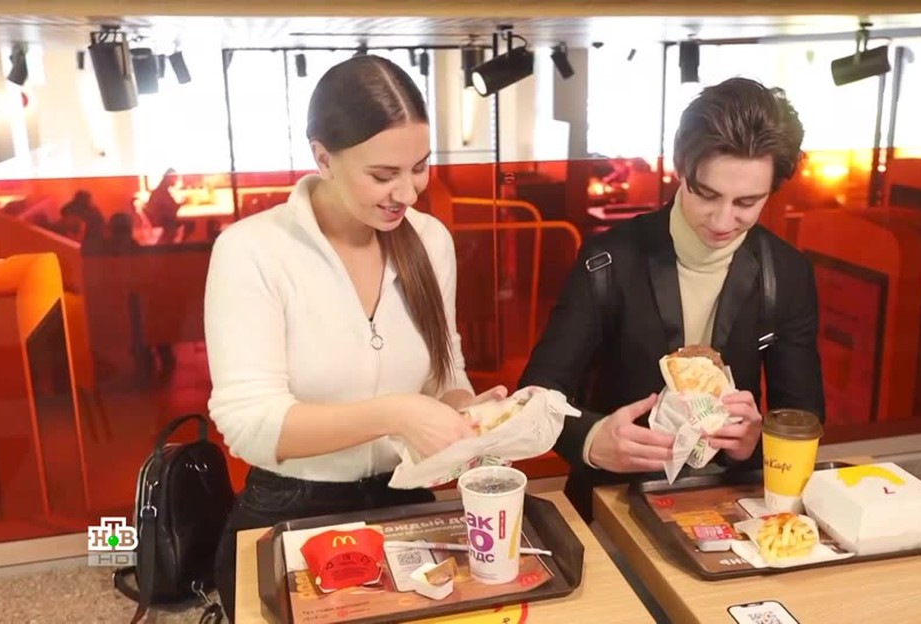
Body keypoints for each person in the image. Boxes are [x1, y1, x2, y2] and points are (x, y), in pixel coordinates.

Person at [203, 55, 505, 621]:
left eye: (420, 167)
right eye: (383, 175)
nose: (408, 193)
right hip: (294, 506)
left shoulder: (429, 241)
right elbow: (249, 425)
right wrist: (397, 414)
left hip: (405, 503)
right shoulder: (252, 251)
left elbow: (445, 371)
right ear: (323, 158)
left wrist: (465, 412)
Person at [519, 77, 826, 520]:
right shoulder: (609, 260)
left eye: (747, 202)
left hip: (729, 501)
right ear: (681, 167)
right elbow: (537, 392)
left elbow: (803, 415)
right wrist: (592, 439)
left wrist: (757, 441)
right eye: (707, 194)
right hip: (614, 499)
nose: (722, 220)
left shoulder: (786, 273)